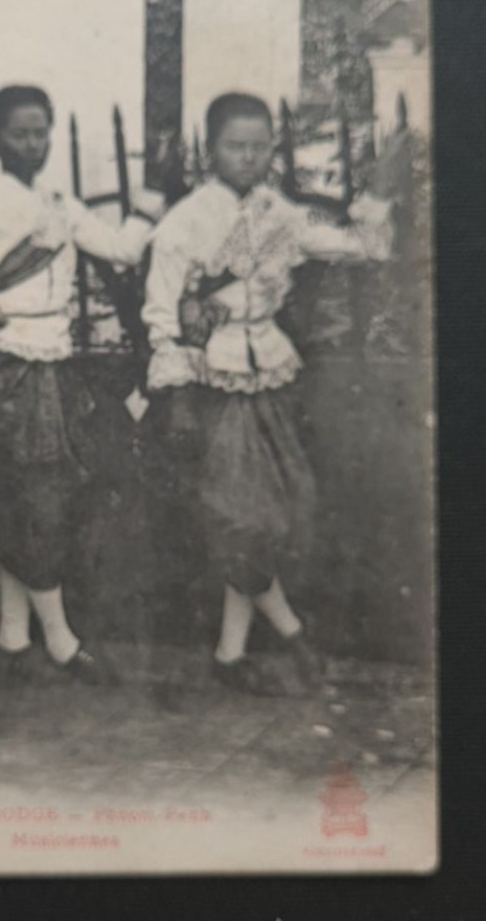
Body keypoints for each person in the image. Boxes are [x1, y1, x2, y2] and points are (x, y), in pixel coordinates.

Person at [142, 92, 393, 695]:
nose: (248, 158)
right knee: (241, 518)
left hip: (270, 377)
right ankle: (292, 636)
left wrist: (376, 202)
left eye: (259, 147)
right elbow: (161, 315)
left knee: (279, 511)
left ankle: (230, 657)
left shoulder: (278, 212)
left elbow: (366, 249)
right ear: (210, 150)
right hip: (212, 384)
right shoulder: (185, 221)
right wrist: (175, 391)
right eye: (235, 146)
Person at [0, 84, 165, 684]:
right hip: (6, 369)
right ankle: (61, 639)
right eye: (20, 132)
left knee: (42, 496)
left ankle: (14, 635)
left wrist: (147, 208)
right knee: (30, 497)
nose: (34, 143)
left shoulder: (60, 204)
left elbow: (119, 252)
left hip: (56, 364)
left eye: (42, 130)